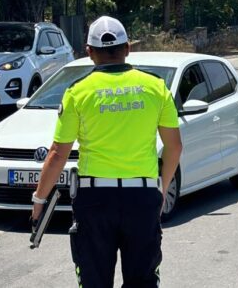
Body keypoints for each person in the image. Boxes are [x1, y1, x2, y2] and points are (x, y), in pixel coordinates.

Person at [32, 16, 183, 287]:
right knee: (142, 281)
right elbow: (174, 146)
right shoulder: (156, 87)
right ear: (128, 48)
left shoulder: (78, 92)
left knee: (94, 280)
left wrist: (40, 200)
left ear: (89, 52)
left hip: (95, 200)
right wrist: (161, 190)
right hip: (142, 197)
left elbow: (57, 154)